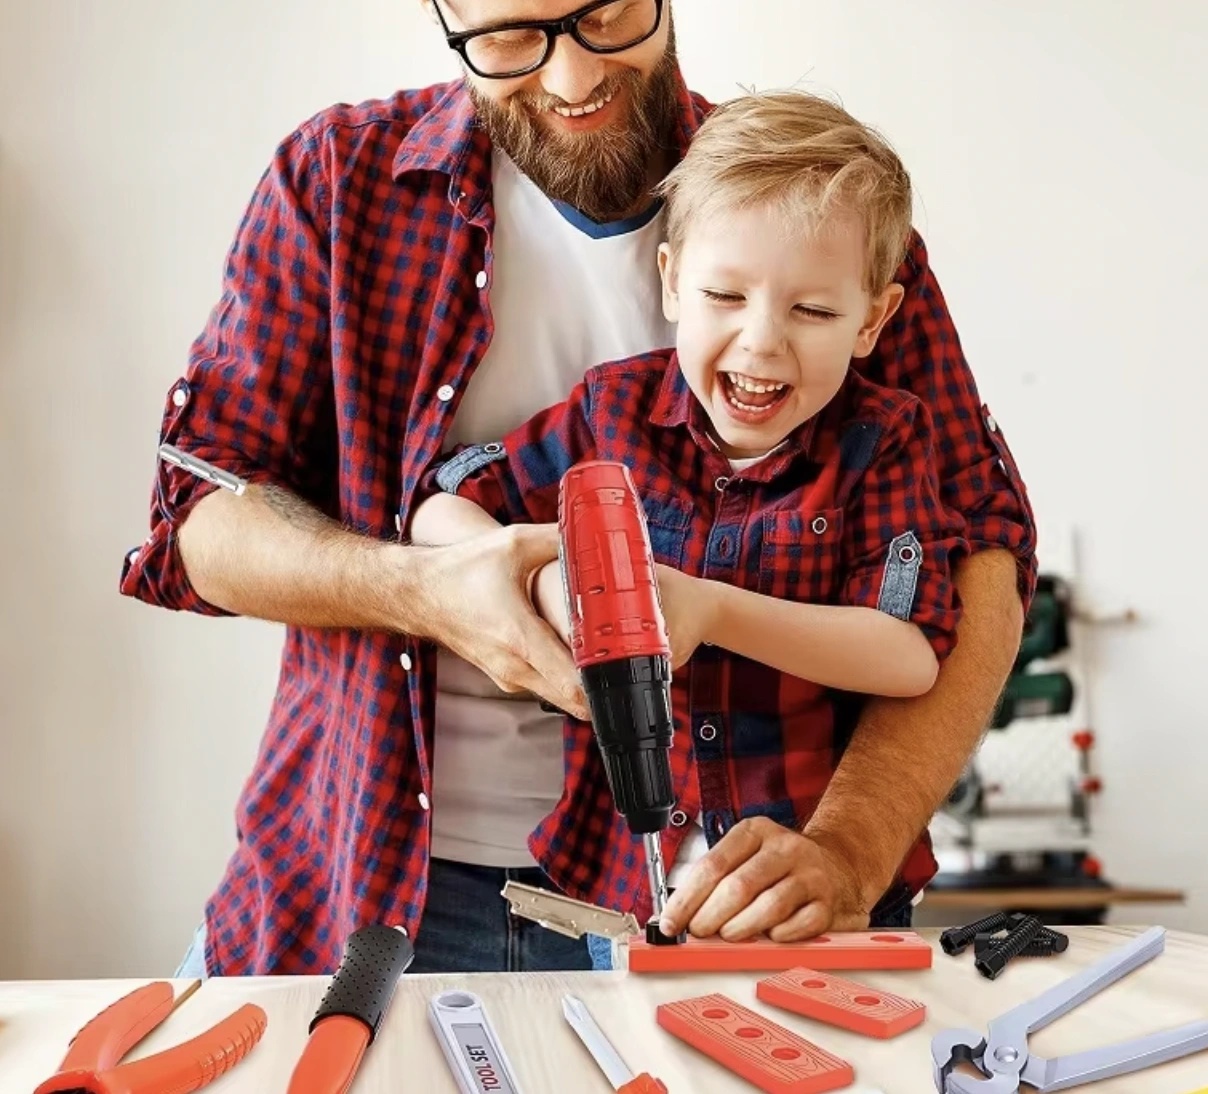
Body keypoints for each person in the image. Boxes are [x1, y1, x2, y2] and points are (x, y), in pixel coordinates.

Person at [119, 0, 1036, 977]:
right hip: (362, 875)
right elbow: (199, 519)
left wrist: (851, 850)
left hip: (701, 899)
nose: (569, 79)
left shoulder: (818, 214)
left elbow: (982, 553)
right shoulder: (338, 179)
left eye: (604, 13)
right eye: (509, 34)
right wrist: (437, 586)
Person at [408, 88, 969, 969]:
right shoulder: (611, 413)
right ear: (671, 281)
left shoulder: (884, 441)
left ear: (874, 321)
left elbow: (907, 654)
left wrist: (711, 609)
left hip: (801, 899)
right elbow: (438, 500)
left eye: (813, 312)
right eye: (723, 295)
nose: (761, 342)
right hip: (624, 892)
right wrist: (541, 573)